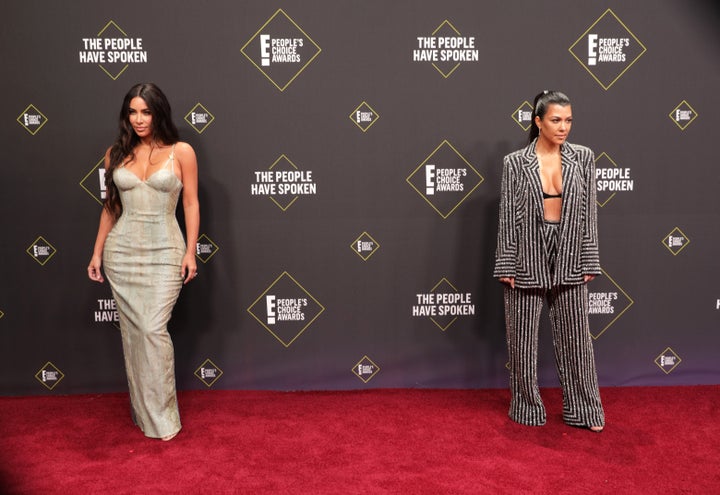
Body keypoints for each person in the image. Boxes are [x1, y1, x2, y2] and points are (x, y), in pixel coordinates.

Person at [87, 83, 199, 441]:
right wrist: (97, 252)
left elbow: (191, 204)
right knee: (135, 336)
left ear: (159, 112)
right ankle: (144, 414)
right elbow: (111, 206)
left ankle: (163, 419)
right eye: (133, 112)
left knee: (152, 329)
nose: (139, 119)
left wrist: (191, 250)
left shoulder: (181, 152)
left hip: (166, 251)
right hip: (122, 252)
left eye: (146, 111)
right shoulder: (115, 154)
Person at [493, 90, 605, 432]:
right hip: (527, 251)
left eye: (569, 120)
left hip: (570, 250)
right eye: (556, 120)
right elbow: (508, 215)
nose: (563, 127)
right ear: (538, 121)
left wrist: (589, 259)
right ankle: (527, 407)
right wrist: (506, 264)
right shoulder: (515, 163)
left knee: (577, 340)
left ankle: (583, 410)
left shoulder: (583, 158)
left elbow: (589, 213)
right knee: (522, 341)